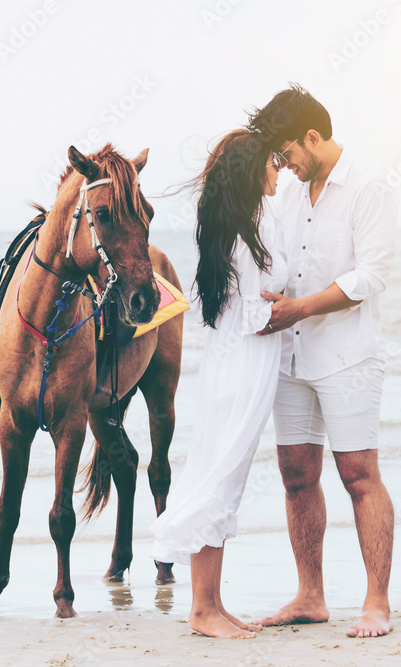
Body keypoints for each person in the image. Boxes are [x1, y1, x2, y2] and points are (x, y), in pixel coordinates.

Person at [247, 84, 399, 638]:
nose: (284, 166)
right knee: (295, 475)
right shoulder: (288, 195)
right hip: (291, 355)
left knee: (358, 474)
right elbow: (281, 263)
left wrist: (301, 308)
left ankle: (376, 602)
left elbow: (371, 276)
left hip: (347, 356)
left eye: (287, 153)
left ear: (313, 137)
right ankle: (311, 595)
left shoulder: (368, 188)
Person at [151, 129, 287, 639]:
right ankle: (203, 610)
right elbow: (257, 314)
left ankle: (213, 602)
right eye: (273, 162)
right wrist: (291, 306)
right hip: (243, 368)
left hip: (236, 367)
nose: (279, 170)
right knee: (218, 480)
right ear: (254, 170)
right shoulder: (246, 232)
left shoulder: (237, 224)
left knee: (222, 478)